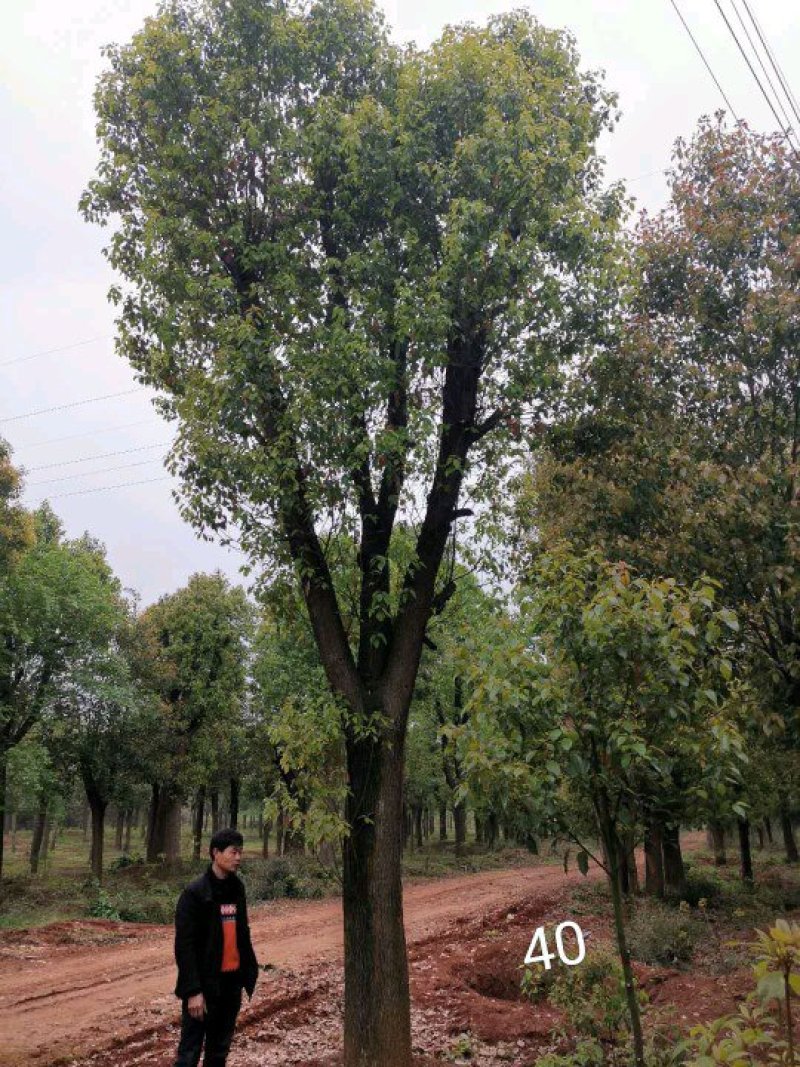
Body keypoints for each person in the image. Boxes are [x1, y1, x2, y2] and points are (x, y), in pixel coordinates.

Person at [173, 827, 259, 1067]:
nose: (238, 858)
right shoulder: (195, 893)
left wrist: (247, 973)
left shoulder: (237, 889)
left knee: (218, 1054)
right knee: (189, 1055)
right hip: (204, 988)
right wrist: (192, 991)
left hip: (230, 986)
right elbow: (184, 946)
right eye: (233, 852)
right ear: (216, 853)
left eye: (240, 852)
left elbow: (243, 934)